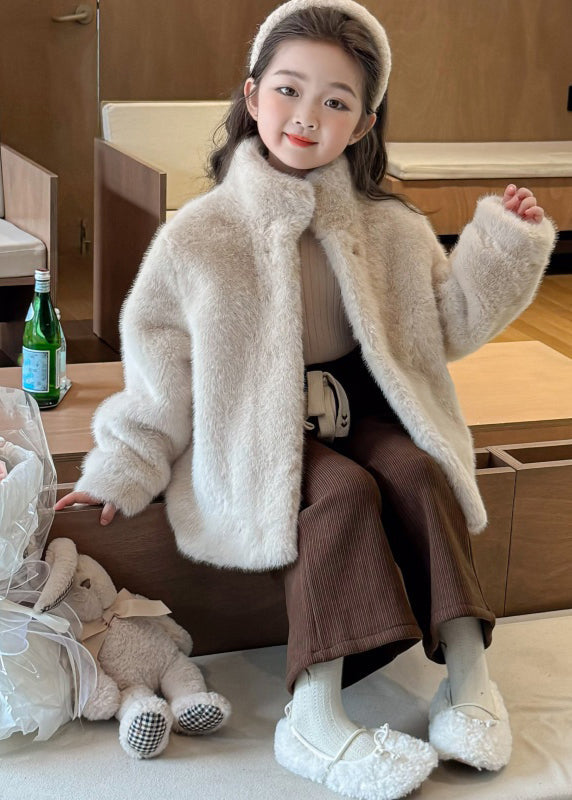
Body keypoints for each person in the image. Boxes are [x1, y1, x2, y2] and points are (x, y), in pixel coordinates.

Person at [56, 1, 556, 797]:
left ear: (362, 125)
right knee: (343, 494)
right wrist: (122, 468)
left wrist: (503, 246)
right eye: (289, 89)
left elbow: (447, 327)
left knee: (422, 471)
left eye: (336, 100)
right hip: (258, 428)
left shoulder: (391, 227)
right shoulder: (199, 236)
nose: (306, 116)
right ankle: (314, 713)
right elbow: (159, 368)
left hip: (363, 408)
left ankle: (468, 677)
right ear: (252, 95)